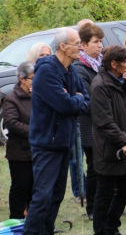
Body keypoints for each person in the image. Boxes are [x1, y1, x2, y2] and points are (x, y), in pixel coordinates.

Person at [23, 28, 90, 235]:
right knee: (43, 196)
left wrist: (75, 98)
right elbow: (66, 106)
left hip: (64, 142)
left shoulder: (71, 70)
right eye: (77, 43)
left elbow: (86, 101)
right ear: (63, 46)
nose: (81, 46)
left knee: (56, 195)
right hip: (47, 143)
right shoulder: (46, 71)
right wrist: (75, 99)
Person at [90, 45, 126, 235]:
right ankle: (102, 231)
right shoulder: (101, 85)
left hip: (124, 146)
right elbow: (104, 122)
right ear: (113, 63)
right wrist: (124, 142)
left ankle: (112, 227)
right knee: (105, 193)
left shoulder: (118, 81)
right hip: (109, 149)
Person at [73, 23, 105, 220]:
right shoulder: (79, 68)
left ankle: (104, 204)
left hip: (105, 125)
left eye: (101, 41)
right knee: (94, 168)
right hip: (89, 126)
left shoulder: (101, 64)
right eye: (95, 42)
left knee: (105, 168)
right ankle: (92, 208)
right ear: (83, 45)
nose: (99, 46)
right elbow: (86, 100)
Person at [3, 61, 35, 219]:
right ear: (22, 79)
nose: (35, 81)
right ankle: (16, 219)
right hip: (19, 153)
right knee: (20, 187)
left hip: (37, 151)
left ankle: (33, 220)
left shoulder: (37, 95)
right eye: (32, 78)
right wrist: (36, 132)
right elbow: (12, 123)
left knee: (34, 188)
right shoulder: (11, 98)